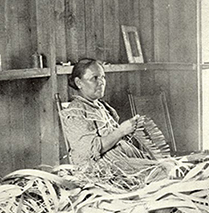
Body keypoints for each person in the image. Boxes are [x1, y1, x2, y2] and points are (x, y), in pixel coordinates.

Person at [60, 58, 158, 189]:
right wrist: (121, 131)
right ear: (79, 83)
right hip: (104, 168)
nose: (101, 82)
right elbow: (87, 152)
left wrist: (129, 130)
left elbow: (113, 137)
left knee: (168, 169)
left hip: (122, 160)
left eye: (103, 77)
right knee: (163, 174)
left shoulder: (102, 107)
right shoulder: (75, 112)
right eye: (94, 78)